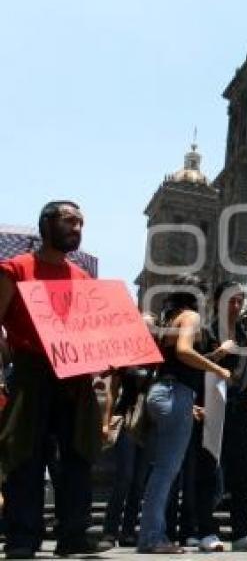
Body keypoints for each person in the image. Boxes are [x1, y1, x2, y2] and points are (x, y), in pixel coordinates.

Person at [0, 201, 113, 559]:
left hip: (74, 375)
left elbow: (90, 329)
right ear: (46, 224)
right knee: (25, 455)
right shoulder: (16, 268)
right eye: (69, 220)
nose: (77, 228)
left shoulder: (82, 278)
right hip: (31, 372)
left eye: (81, 222)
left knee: (77, 456)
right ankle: (22, 537)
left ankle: (73, 535)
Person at [137, 274, 231, 554]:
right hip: (174, 394)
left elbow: (175, 364)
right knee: (165, 471)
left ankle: (152, 533)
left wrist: (188, 401)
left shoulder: (171, 318)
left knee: (161, 469)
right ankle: (152, 537)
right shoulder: (190, 317)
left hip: (164, 393)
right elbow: (184, 352)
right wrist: (218, 369)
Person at [203, 283, 247, 551]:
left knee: (242, 471)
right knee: (209, 469)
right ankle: (205, 530)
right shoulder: (206, 332)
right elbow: (193, 363)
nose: (236, 306)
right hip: (211, 405)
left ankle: (243, 532)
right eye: (231, 301)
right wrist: (220, 352)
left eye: (240, 301)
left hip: (239, 408)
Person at [101, 314, 158, 548]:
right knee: (124, 476)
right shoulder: (124, 354)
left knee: (139, 480)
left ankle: (128, 531)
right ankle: (109, 531)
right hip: (127, 419)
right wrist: (105, 422)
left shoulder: (159, 357)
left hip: (150, 422)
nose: (146, 331)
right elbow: (112, 390)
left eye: (151, 328)